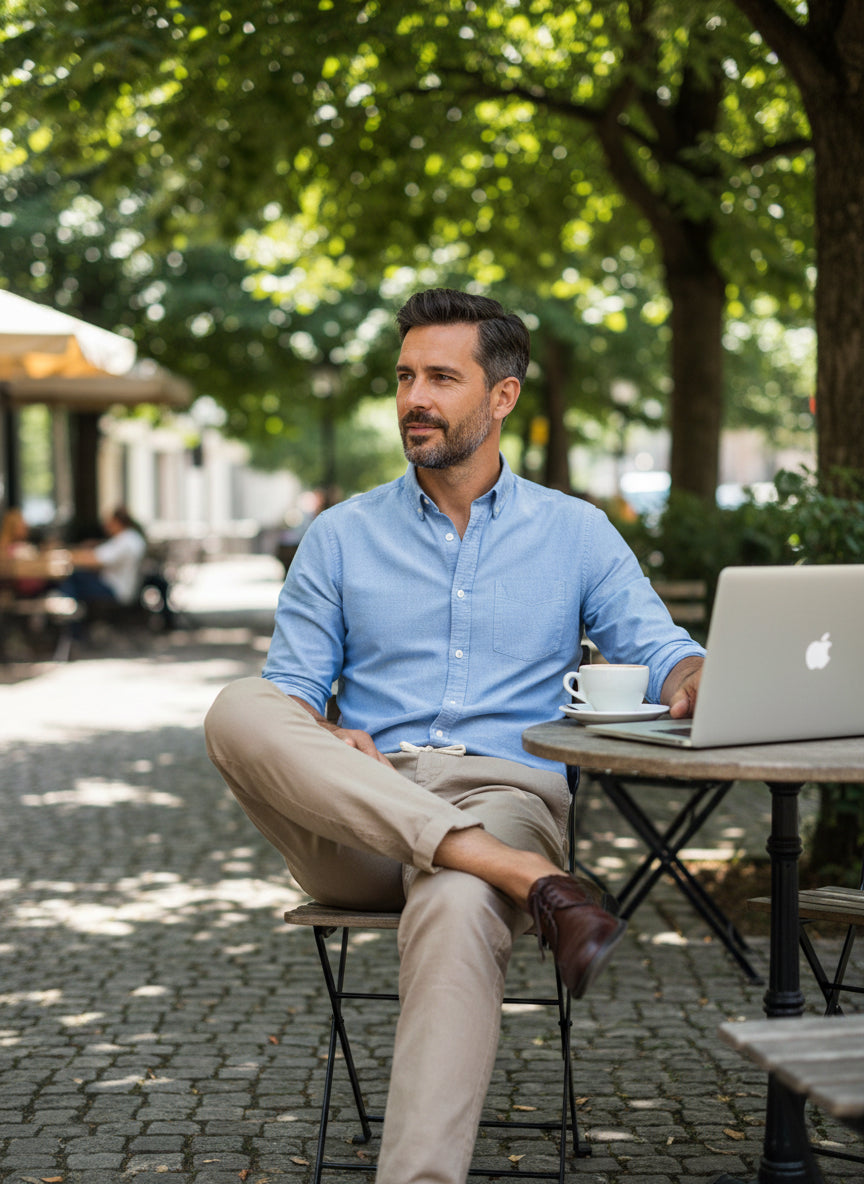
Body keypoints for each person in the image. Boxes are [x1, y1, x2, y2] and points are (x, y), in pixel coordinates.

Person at [204, 288, 704, 1184]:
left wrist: (693, 676)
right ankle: (535, 885)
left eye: (441, 376)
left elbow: (658, 646)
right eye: (404, 377)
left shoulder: (577, 532)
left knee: (459, 897)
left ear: (502, 397)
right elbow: (288, 695)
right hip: (359, 814)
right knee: (235, 706)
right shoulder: (339, 535)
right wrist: (325, 731)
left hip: (503, 793)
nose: (413, 398)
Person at [60, 506, 147, 609]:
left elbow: (96, 560)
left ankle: (69, 616)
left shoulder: (124, 541)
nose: (106, 526)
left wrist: (68, 555)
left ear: (116, 522)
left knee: (74, 577)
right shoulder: (132, 538)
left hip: (116, 589)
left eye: (109, 522)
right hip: (123, 587)